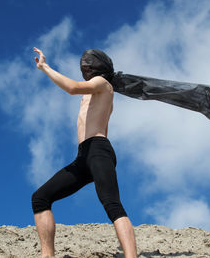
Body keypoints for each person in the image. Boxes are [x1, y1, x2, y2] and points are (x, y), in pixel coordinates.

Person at [31, 47, 137, 258]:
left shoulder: (102, 84)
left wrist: (44, 67)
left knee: (112, 204)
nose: (84, 67)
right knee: (40, 198)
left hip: (99, 150)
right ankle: (47, 256)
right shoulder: (91, 91)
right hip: (83, 156)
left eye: (88, 64)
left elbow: (71, 87)